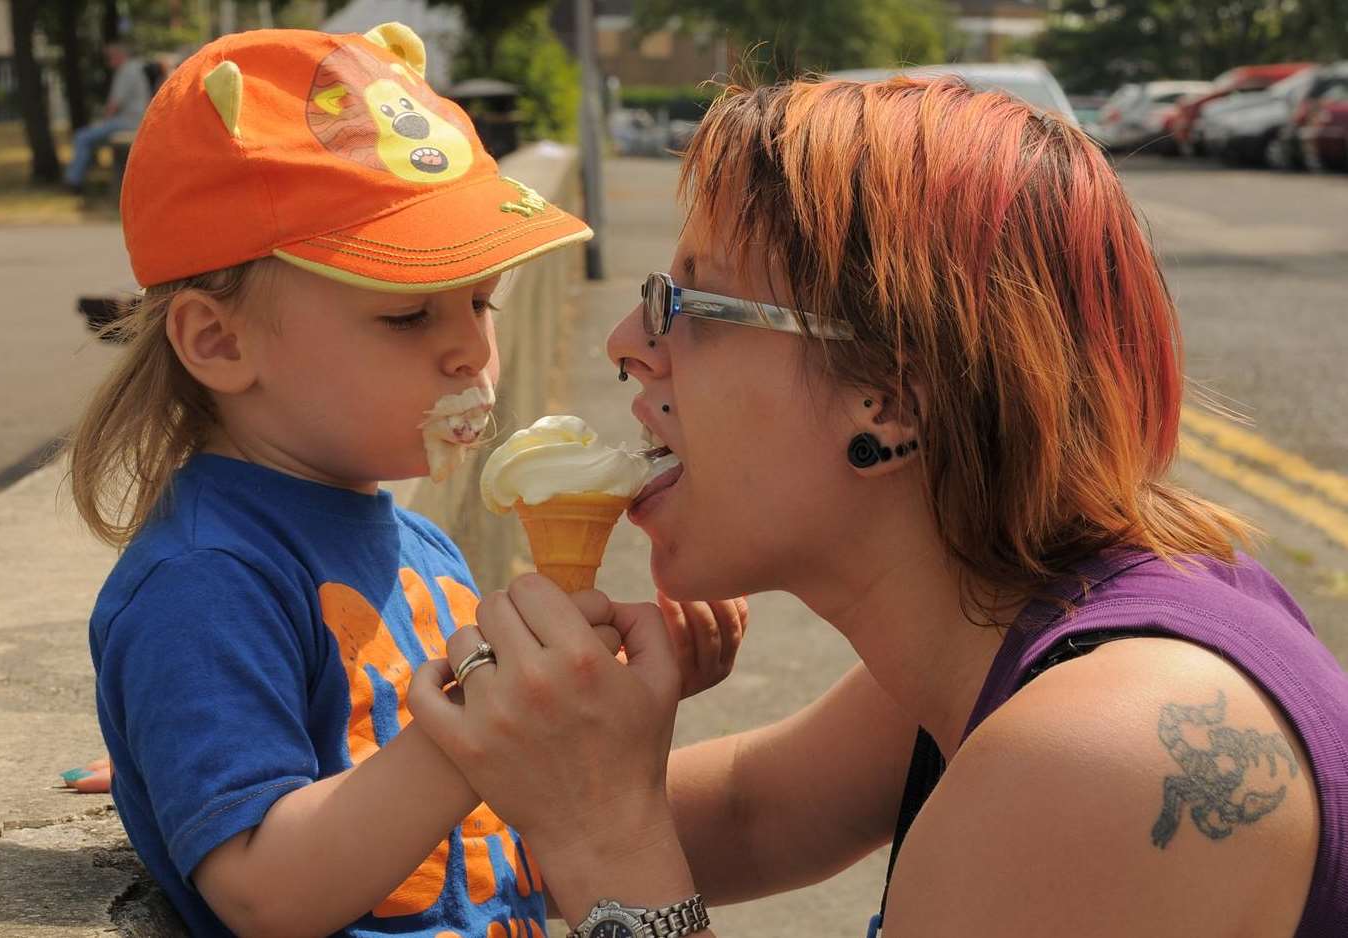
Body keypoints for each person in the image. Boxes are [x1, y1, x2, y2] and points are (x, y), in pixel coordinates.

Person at [408, 75, 1348, 938]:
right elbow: (753, 811)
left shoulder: (1107, 755)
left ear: (891, 400)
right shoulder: (1013, 631)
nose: (627, 342)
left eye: (688, 303)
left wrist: (608, 847)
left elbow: (618, 837)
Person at [67, 22, 744, 938]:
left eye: (479, 302)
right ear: (218, 342)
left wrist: (593, 707)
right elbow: (265, 891)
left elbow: (484, 829)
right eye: (406, 317)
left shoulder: (415, 540)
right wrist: (491, 729)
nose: (470, 348)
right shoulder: (205, 582)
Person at [63, 39, 152, 194]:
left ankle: (73, 182)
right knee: (89, 138)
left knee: (82, 137)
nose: (108, 62)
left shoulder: (126, 71)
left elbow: (114, 104)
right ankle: (82, 177)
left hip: (128, 122)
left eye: (110, 58)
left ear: (118, 56)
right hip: (136, 120)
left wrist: (103, 123)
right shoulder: (135, 68)